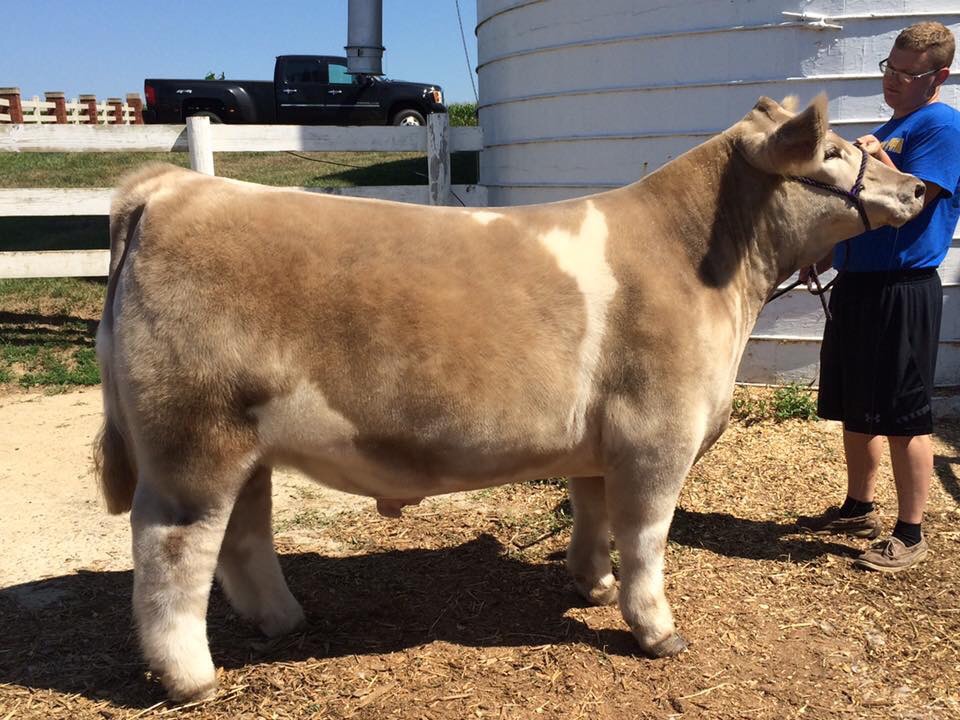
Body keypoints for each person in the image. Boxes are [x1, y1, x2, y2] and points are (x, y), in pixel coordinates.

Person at [798, 21, 960, 572]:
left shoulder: (941, 126)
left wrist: (875, 161)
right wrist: (824, 253)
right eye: (888, 68)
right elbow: (864, 215)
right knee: (856, 405)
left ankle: (911, 533)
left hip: (902, 289)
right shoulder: (893, 124)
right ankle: (857, 507)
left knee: (903, 414)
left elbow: (911, 197)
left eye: (906, 72)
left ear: (938, 75)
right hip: (858, 286)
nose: (891, 80)